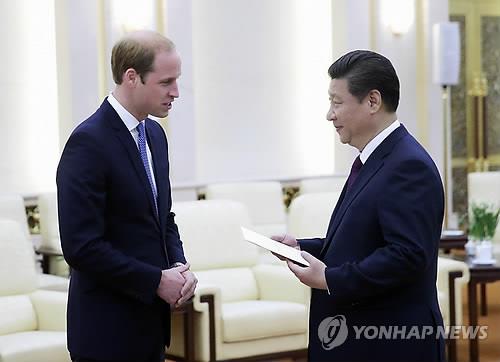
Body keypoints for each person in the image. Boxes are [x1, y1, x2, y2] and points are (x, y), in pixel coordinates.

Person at [273, 50, 445, 361]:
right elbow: (361, 242)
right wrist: (301, 246)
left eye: (337, 102)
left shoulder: (407, 165)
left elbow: (407, 256)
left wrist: (329, 279)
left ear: (372, 101)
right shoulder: (373, 159)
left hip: (388, 342)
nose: (329, 114)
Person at [57, 30, 197, 362]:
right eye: (166, 82)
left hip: (150, 326)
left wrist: (177, 266)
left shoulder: (155, 135)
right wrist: (155, 281)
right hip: (106, 331)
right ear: (132, 77)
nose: (176, 92)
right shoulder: (88, 142)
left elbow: (163, 218)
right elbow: (80, 246)